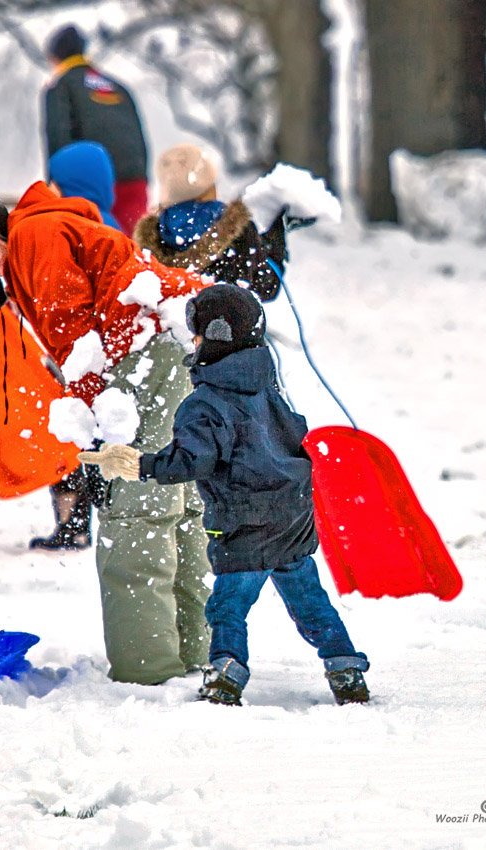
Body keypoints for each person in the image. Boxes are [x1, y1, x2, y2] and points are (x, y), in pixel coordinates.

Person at [0, 181, 213, 684]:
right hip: (176, 341)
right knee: (177, 500)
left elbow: (76, 339)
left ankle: (148, 669)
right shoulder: (42, 229)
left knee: (135, 510)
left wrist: (94, 438)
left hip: (147, 351)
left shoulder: (33, 236)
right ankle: (195, 651)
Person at [78, 285, 370, 707]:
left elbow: (190, 462)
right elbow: (296, 436)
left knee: (227, 609)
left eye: (195, 333)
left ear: (211, 337)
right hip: (292, 518)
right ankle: (345, 666)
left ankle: (226, 674)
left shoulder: (204, 403)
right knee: (310, 604)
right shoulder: (267, 385)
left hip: (244, 525)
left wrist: (138, 464)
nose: (192, 341)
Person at [30, 141, 122, 551]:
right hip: (115, 356)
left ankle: (73, 522)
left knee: (70, 438)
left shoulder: (64, 228)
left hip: (80, 353)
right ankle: (105, 515)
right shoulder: (115, 224)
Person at [133, 143, 288, 302]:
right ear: (209, 186)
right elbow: (266, 286)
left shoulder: (150, 242)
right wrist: (275, 238)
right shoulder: (237, 229)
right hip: (224, 323)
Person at [42, 24, 149, 237]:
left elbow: (58, 138)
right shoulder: (118, 86)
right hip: (134, 181)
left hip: (89, 187)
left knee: (95, 252)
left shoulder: (62, 87)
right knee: (134, 252)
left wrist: (52, 189)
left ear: (54, 57)